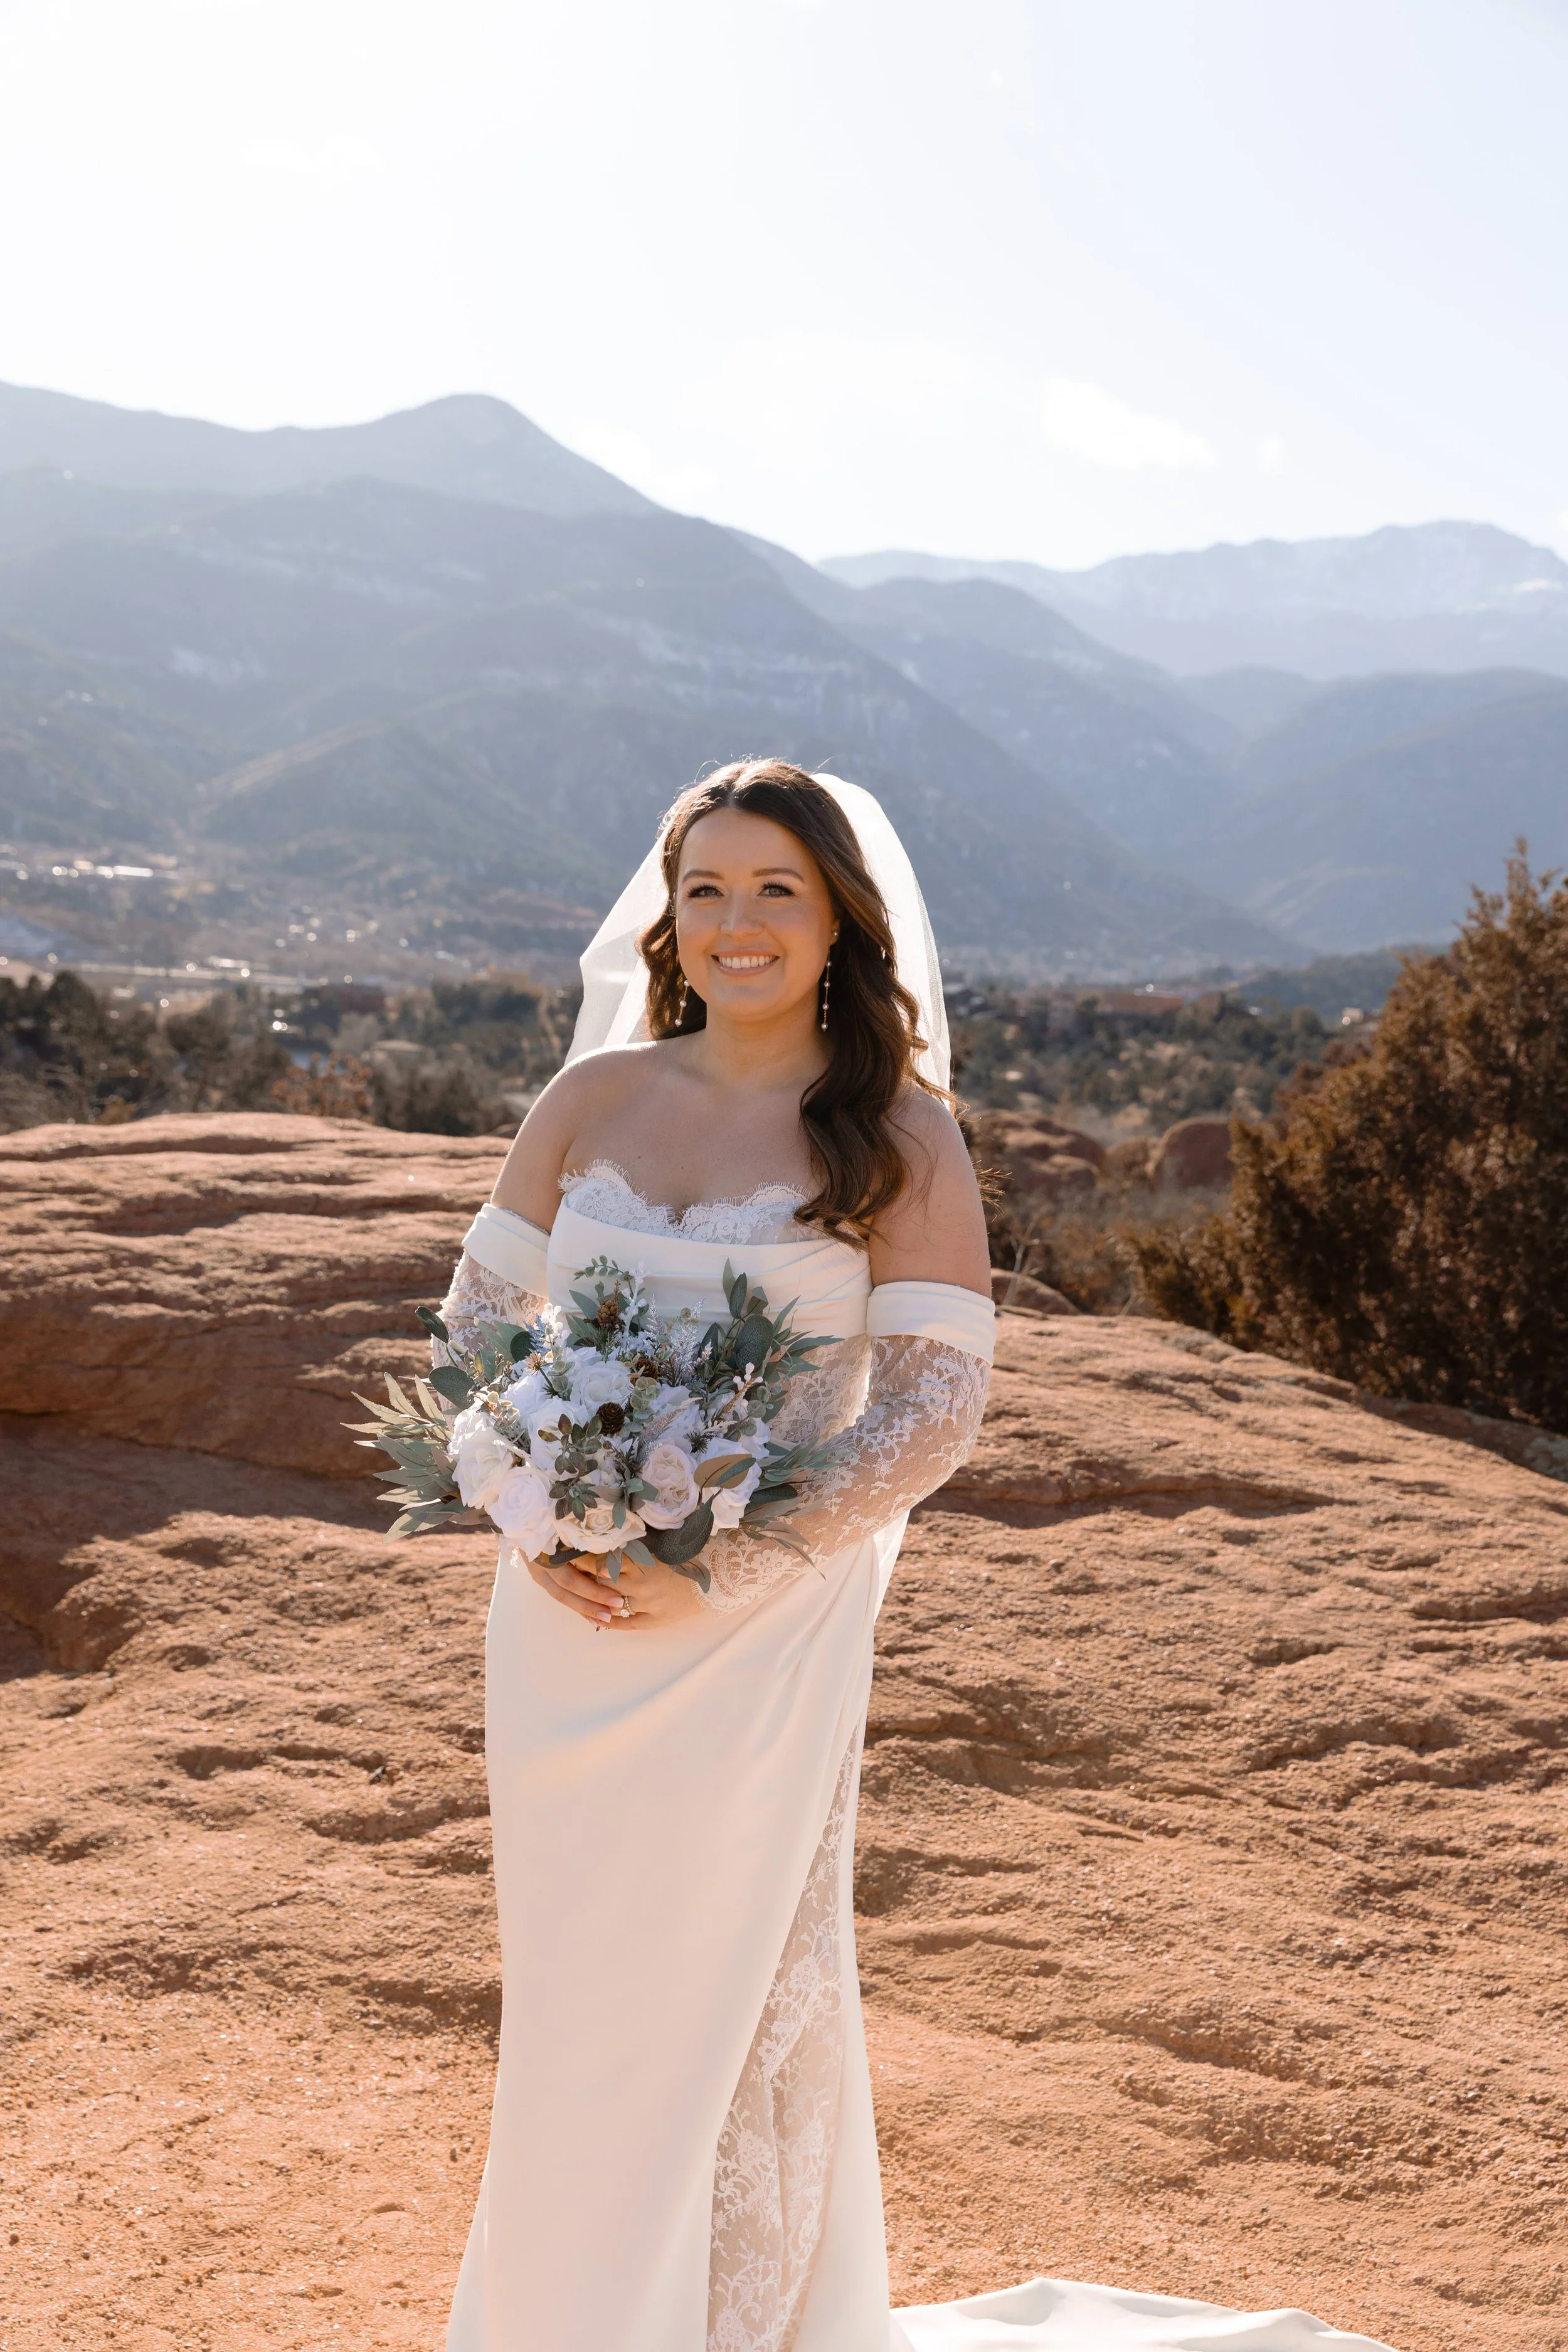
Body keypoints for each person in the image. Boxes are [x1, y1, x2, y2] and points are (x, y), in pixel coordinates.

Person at [437, 762, 1398, 2352]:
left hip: (756, 1634)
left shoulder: (895, 1135)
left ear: (836, 925)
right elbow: (476, 1332)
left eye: (776, 894)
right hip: (564, 1617)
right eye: (708, 892)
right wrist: (534, 1511)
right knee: (579, 1995)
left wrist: (729, 1564)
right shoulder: (588, 1103)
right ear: (666, 922)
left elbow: (940, 1404)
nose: (737, 925)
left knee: (720, 1989)